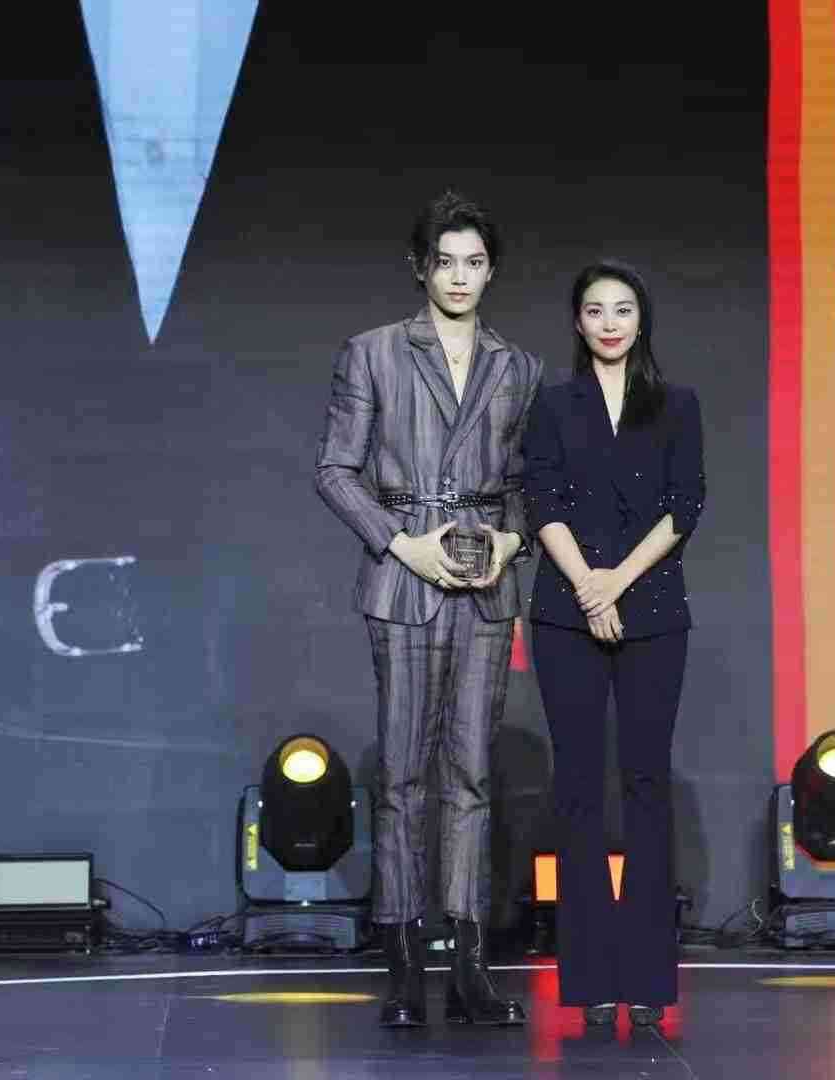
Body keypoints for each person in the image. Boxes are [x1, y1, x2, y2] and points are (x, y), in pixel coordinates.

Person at [315, 190, 542, 1028]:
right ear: (420, 267)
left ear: (492, 270)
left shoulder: (518, 367)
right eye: (445, 261)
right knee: (405, 775)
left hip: (486, 583)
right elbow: (335, 470)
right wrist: (399, 543)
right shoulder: (373, 352)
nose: (459, 277)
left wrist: (511, 541)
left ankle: (471, 966)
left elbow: (527, 483)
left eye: (474, 262)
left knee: (473, 775)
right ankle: (406, 965)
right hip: (404, 577)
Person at [522, 259, 705, 1027]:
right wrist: (585, 587)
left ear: (641, 319)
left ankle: (648, 978)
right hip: (564, 613)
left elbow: (684, 505)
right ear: (578, 321)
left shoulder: (676, 404)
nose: (609, 322)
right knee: (578, 787)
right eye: (595, 309)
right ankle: (591, 980)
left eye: (622, 309)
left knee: (645, 783)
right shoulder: (552, 404)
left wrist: (616, 583)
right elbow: (542, 500)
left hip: (652, 610)